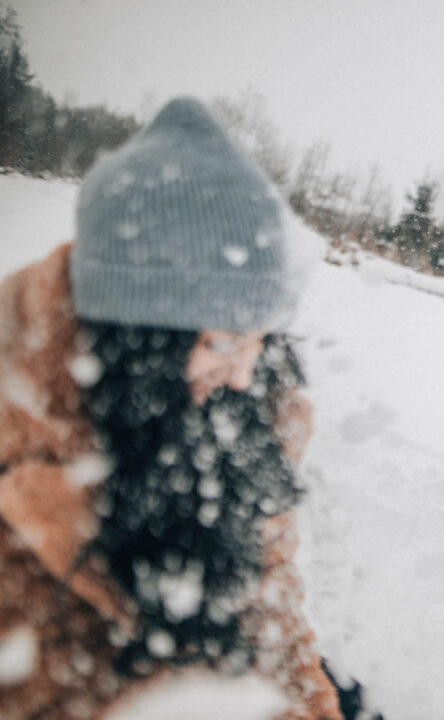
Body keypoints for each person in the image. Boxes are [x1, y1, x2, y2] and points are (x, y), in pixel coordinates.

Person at [0, 97, 366, 719]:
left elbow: (268, 598)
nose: (243, 373)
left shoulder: (249, 403)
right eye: (222, 342)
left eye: (259, 340)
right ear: (141, 342)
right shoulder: (26, 428)